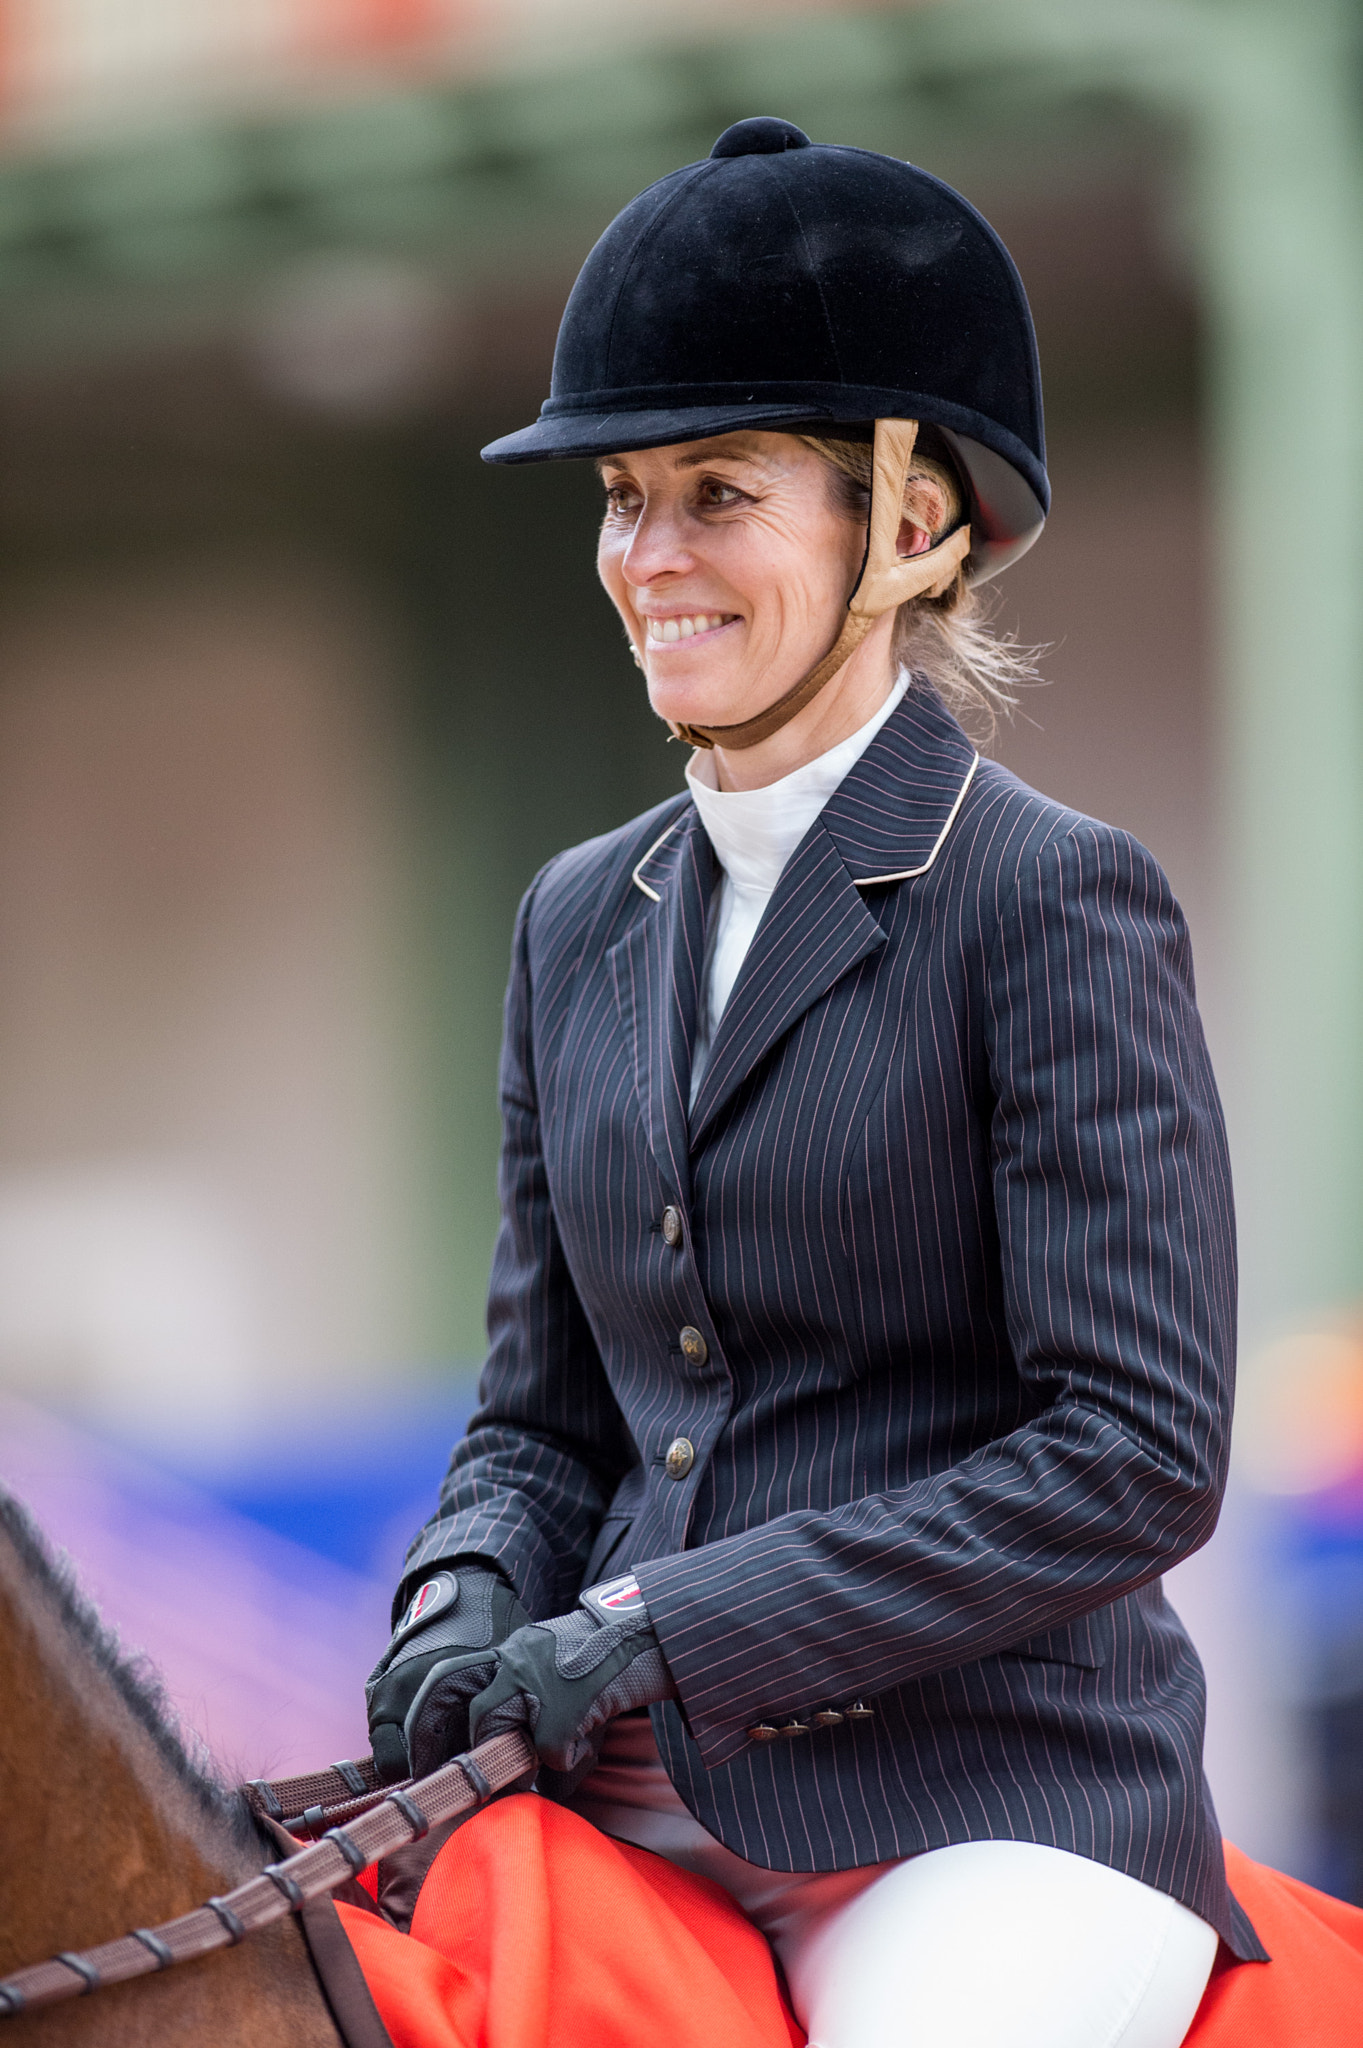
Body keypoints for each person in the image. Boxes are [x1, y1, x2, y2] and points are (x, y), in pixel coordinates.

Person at [365, 117, 1264, 2048]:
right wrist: (457, 1601)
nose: (647, 559)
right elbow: (539, 1420)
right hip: (618, 1792)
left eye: (719, 492)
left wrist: (654, 1630)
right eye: (622, 497)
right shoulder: (567, 919)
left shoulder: (1047, 896)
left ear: (912, 522)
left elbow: (1132, 1455)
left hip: (981, 1815)